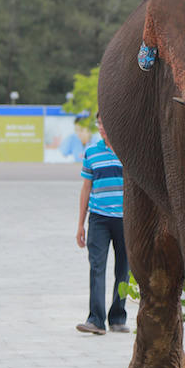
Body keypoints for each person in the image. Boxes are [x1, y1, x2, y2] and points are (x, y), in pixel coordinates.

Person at [75, 115, 130, 335]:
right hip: (98, 218)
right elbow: (86, 188)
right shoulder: (91, 152)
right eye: (99, 124)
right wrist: (80, 223)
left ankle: (117, 317)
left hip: (126, 219)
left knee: (123, 269)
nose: (102, 128)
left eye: (105, 123)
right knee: (97, 267)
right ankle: (96, 320)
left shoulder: (128, 149)